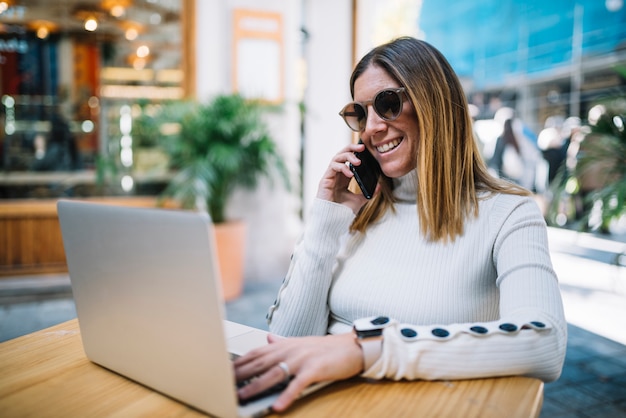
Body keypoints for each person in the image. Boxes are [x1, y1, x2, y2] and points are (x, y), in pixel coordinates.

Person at [234, 37, 567, 412]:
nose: (371, 129)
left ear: (435, 104)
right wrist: (327, 219)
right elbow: (283, 343)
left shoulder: (509, 212)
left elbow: (545, 341)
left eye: (387, 104)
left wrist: (367, 347)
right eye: (360, 114)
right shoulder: (358, 208)